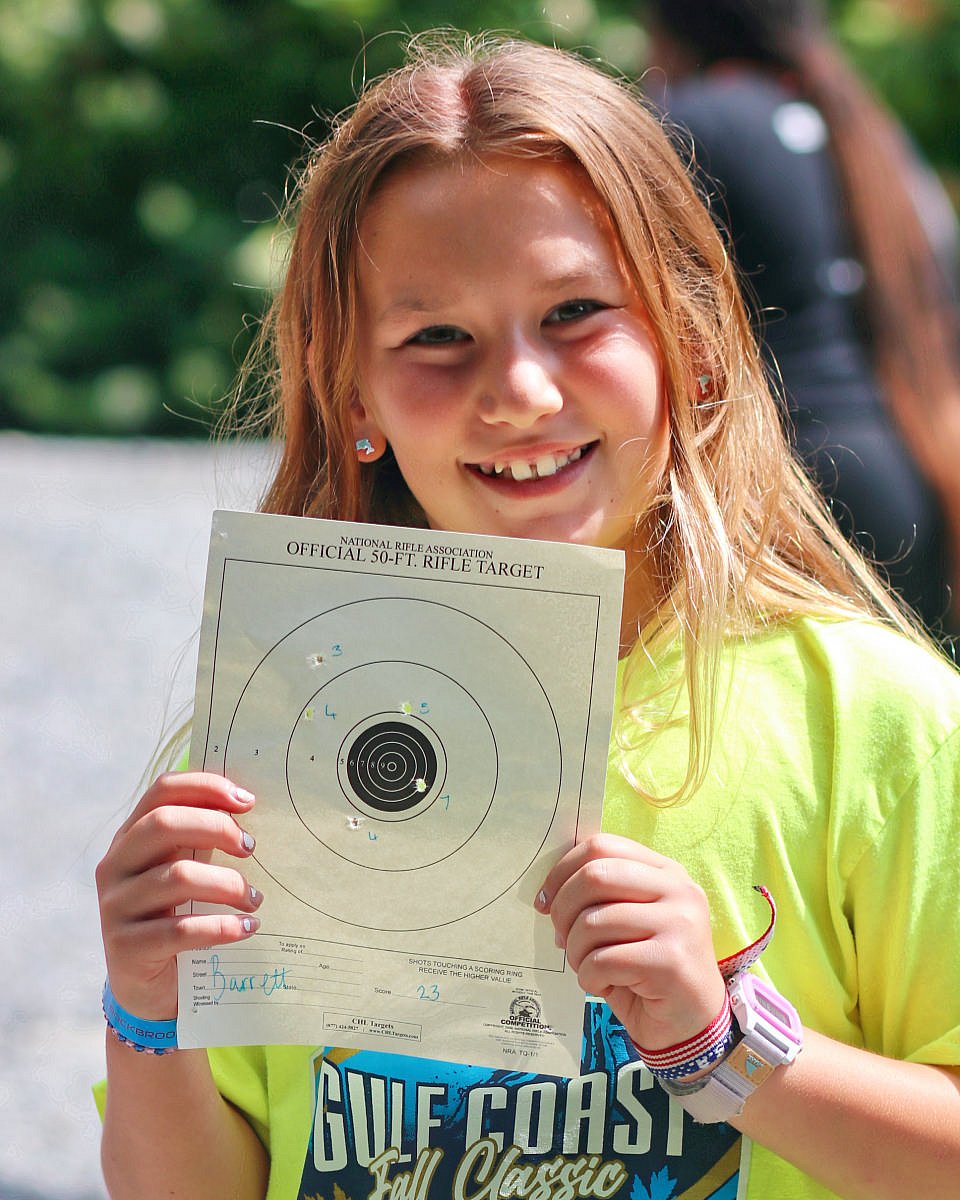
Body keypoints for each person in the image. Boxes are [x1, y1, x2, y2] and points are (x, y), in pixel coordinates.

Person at [94, 34, 960, 1200]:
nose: (519, 391)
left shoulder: (880, 724)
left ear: (692, 350)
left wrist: (725, 1046)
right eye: (436, 337)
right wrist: (145, 1011)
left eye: (576, 312)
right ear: (354, 394)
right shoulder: (266, 745)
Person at [642, 0, 960, 639]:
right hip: (910, 479)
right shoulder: (864, 128)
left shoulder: (689, 124)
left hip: (786, 494)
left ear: (668, 28)